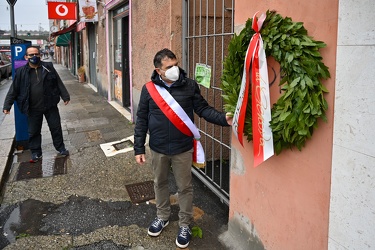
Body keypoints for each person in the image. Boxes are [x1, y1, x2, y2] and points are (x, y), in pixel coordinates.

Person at [134, 48, 232, 248]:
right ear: (159, 70)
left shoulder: (189, 86)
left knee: (185, 187)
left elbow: (203, 109)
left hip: (182, 148)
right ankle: (162, 216)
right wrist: (139, 149)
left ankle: (185, 224)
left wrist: (224, 119)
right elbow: (142, 119)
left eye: (176, 64)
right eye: (169, 67)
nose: (175, 69)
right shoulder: (149, 89)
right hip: (158, 147)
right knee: (160, 183)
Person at [3, 46, 70, 163]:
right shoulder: (21, 72)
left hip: (50, 105)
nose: (34, 57)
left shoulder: (48, 67)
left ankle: (61, 148)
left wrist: (65, 96)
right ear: (26, 57)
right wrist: (7, 105)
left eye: (36, 54)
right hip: (32, 108)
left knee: (56, 128)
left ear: (40, 55)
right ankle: (36, 152)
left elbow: (58, 82)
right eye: (31, 55)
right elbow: (14, 90)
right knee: (33, 131)